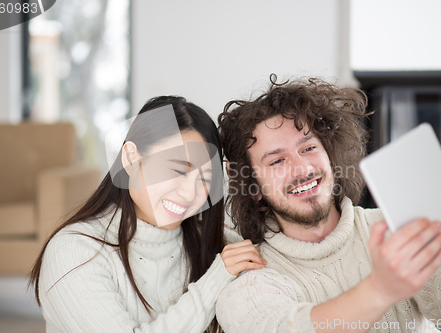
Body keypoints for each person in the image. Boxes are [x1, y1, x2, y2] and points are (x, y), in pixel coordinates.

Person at [215, 75, 441, 333]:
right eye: (276, 161)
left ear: (330, 156)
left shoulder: (394, 226)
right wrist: (381, 288)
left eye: (308, 149)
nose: (302, 168)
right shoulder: (249, 282)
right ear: (254, 187)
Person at [28, 96, 266, 333]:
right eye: (178, 170)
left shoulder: (218, 245)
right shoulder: (75, 251)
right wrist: (214, 280)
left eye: (204, 179)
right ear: (131, 159)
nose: (189, 193)